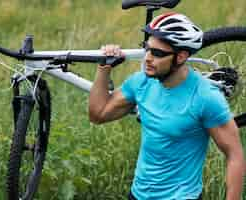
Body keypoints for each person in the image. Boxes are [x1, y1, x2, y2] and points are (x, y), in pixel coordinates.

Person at [89, 12, 245, 200]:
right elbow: (98, 114)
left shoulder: (205, 97)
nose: (147, 58)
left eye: (157, 53)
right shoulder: (141, 83)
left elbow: (234, 155)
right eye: (147, 48)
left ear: (181, 57)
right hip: (138, 195)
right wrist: (104, 68)